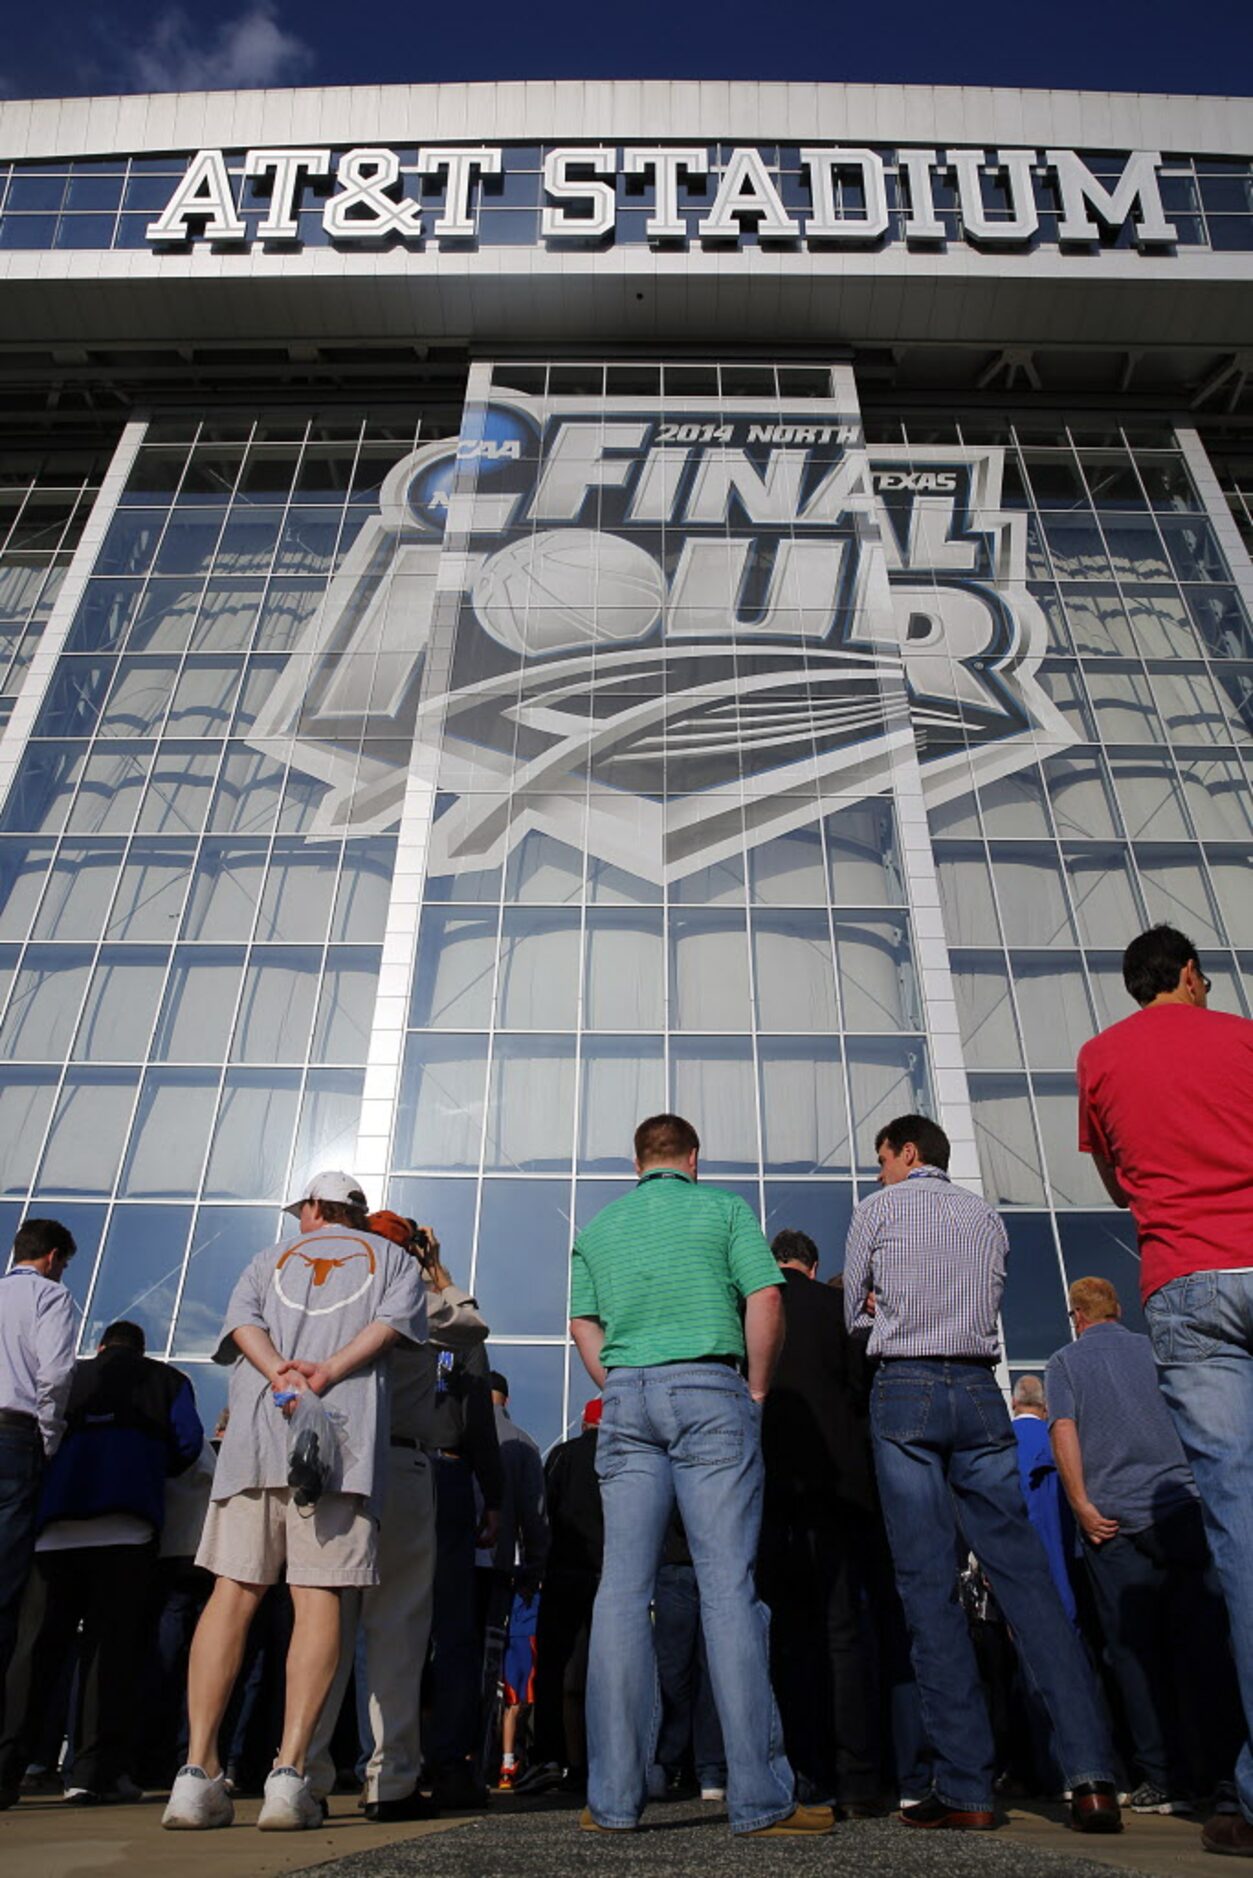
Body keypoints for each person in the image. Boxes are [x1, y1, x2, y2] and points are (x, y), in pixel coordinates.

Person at [843, 1113, 1120, 1834]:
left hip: (903, 1388)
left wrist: (880, 1312)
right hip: (977, 1389)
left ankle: (965, 1786)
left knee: (928, 1587)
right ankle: (1089, 1777)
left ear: (907, 1153)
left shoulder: (875, 1210)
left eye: (882, 1159)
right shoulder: (985, 1218)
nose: (878, 1173)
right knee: (1024, 1578)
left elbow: (853, 1317)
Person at [570, 1111, 830, 1837]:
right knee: (728, 1591)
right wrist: (753, 1390)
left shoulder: (598, 1230)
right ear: (692, 1157)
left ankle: (613, 1802)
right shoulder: (723, 1209)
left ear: (636, 1163)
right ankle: (757, 1799)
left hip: (626, 1396)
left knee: (620, 1596)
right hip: (710, 1390)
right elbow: (766, 1295)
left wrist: (620, 1381)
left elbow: (582, 1325)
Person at [162, 1170, 427, 1833]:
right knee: (318, 1599)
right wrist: (326, 1373)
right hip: (340, 1445)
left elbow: (242, 1329)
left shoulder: (266, 1258)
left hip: (256, 1437)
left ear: (314, 1206)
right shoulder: (393, 1257)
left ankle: (195, 1773)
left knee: (233, 1594)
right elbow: (394, 1328)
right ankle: (288, 1777)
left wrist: (280, 1370)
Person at [1076, 922, 1253, 1857]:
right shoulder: (1242, 1037)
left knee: (1240, 1535)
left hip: (1182, 1284)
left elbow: (1114, 1181)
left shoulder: (1098, 1058)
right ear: (1188, 973)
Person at [306, 1210, 489, 1822]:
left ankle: (304, 1772)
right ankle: (391, 1779)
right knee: (401, 1630)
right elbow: (471, 1325)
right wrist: (434, 1266)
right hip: (404, 1464)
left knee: (325, 1627)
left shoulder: (336, 1294)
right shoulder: (411, 1290)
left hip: (336, 1463)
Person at [1046, 1275, 1242, 1814]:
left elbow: (1062, 1429)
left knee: (1134, 1655)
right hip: (1179, 1510)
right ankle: (1223, 1772)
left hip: (1112, 1523)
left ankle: (1162, 1775)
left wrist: (1082, 1504)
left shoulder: (1065, 1363)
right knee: (1204, 1648)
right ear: (1115, 1309)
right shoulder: (1156, 1349)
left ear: (1077, 1316)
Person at [0, 1320, 203, 1805]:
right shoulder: (170, 1381)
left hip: (57, 1529)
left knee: (35, 1654)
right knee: (111, 1653)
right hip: (126, 1527)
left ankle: (6, 1767)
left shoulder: (71, 1376)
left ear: (101, 1345)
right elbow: (190, 1443)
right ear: (143, 1347)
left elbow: (41, 1428)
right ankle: (91, 1773)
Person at [758, 1228, 881, 1814]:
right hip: (838, 1487)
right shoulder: (839, 1310)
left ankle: (805, 1773)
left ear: (774, 1261)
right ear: (814, 1263)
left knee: (788, 1635)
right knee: (842, 1632)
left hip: (774, 1489)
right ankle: (856, 1778)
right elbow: (862, 1392)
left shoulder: (753, 1305)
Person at [0, 1219, 78, 1702]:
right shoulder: (50, 1297)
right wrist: (49, 1437)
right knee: (6, 1585)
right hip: (14, 1437)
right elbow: (55, 1373)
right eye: (64, 1265)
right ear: (52, 1258)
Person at [516, 1398, 604, 1798]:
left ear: (585, 1424)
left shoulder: (565, 1457)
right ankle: (595, 1759)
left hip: (564, 1571)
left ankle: (550, 1757)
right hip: (608, 1576)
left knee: (553, 1670)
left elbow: (544, 1513)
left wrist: (535, 1566)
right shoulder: (624, 1460)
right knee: (601, 1672)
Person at [484, 1371, 549, 1791]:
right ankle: (499, 1759)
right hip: (503, 1571)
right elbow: (535, 1514)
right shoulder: (522, 1443)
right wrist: (535, 1566)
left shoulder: (446, 1430)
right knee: (505, 1670)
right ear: (506, 1398)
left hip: (449, 1565)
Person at [1009, 1377, 1075, 1624]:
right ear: (1045, 1406)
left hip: (1017, 1552)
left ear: (1014, 1402)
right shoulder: (1058, 1441)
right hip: (1064, 1547)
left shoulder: (1000, 1443)